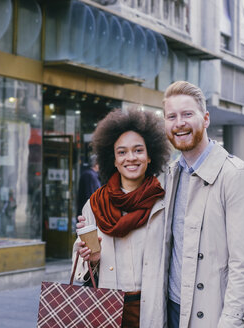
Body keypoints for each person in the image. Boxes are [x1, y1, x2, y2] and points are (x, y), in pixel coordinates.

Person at [163, 81, 244, 328]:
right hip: (172, 310)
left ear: (205, 119)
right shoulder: (170, 175)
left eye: (187, 114)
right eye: (171, 116)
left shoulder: (236, 176)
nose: (179, 123)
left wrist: (229, 323)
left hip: (212, 317)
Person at [73, 108, 171, 327]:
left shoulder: (164, 203)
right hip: (105, 305)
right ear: (114, 159)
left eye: (138, 150)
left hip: (150, 307)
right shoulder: (95, 204)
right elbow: (82, 263)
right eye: (122, 152)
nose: (131, 158)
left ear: (149, 156)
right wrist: (90, 257)